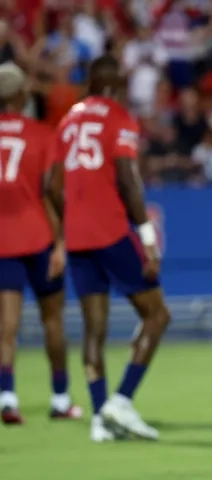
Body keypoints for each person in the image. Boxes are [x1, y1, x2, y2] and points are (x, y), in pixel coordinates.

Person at [49, 55, 171, 442]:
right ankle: (121, 400)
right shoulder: (117, 116)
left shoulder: (67, 121)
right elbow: (128, 178)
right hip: (111, 231)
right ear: (115, 84)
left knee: (93, 328)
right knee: (157, 315)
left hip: (78, 236)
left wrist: (72, 218)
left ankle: (100, 418)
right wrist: (147, 239)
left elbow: (52, 185)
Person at [0, 63, 82, 425]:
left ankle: (7, 397)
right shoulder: (42, 134)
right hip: (38, 238)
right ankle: (61, 398)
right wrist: (61, 243)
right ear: (21, 95)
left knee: (7, 324)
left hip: (3, 242)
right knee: (53, 320)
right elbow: (52, 191)